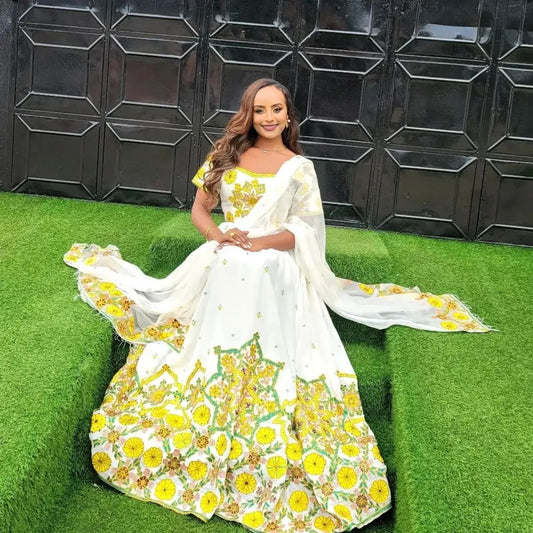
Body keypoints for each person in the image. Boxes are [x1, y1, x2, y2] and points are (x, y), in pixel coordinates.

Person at [64, 78, 491, 533]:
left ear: (288, 116)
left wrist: (259, 243)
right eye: (260, 110)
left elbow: (303, 230)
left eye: (277, 110)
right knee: (230, 262)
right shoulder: (223, 154)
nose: (268, 118)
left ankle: (259, 368)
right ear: (248, 114)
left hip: (273, 259)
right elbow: (200, 210)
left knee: (258, 265)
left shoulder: (299, 168)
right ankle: (215, 367)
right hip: (225, 251)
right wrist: (220, 235)